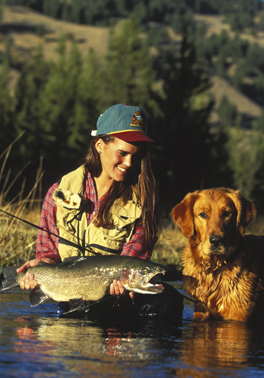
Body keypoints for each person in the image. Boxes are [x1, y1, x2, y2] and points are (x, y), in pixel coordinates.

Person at [17, 104, 160, 301]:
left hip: (117, 304)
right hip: (66, 296)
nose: (129, 163)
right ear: (99, 145)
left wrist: (124, 286)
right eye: (123, 153)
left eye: (136, 156)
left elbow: (134, 263)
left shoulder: (142, 204)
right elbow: (48, 253)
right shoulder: (58, 193)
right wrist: (41, 266)